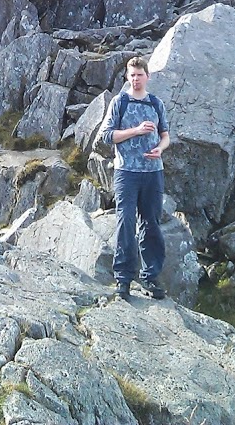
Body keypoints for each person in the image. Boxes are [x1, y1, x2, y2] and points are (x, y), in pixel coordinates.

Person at [98, 55, 170, 301]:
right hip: (126, 172)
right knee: (125, 221)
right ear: (127, 78)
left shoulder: (156, 103)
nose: (136, 79)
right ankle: (124, 278)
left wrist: (161, 148)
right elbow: (107, 136)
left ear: (147, 76)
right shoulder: (120, 102)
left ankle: (150, 277)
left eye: (140, 74)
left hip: (153, 172)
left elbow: (166, 135)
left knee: (151, 223)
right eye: (132, 75)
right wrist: (136, 131)